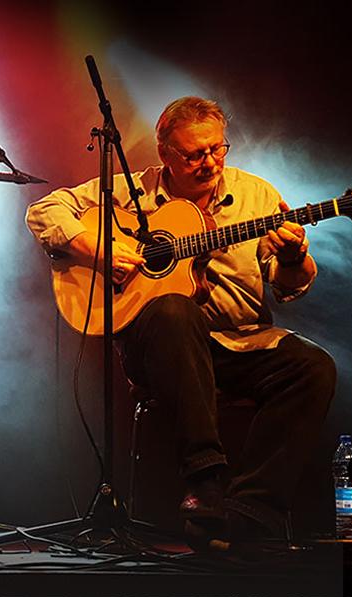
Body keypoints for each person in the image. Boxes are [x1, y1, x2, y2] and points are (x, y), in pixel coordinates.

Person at [25, 97, 336, 550]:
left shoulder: (258, 197)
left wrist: (294, 257)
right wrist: (98, 249)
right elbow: (43, 211)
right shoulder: (130, 189)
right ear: (165, 154)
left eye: (217, 149)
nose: (210, 162)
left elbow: (288, 287)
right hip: (160, 349)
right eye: (194, 154)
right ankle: (205, 481)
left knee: (315, 367)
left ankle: (252, 512)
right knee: (176, 308)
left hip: (236, 346)